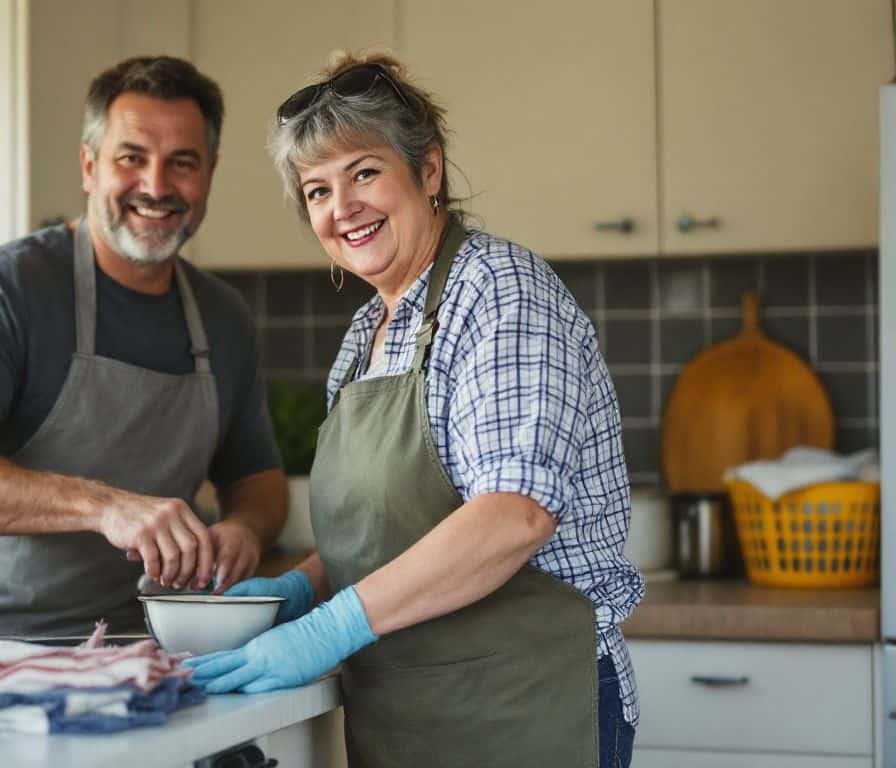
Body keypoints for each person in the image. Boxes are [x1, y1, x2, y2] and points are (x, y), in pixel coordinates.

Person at [184, 53, 644, 768]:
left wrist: (326, 631)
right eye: (316, 191)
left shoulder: (500, 292)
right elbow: (386, 534)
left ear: (428, 171)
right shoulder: (367, 334)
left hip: (523, 709)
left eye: (364, 173)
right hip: (409, 719)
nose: (342, 209)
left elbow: (514, 514)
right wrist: (299, 591)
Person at [0, 56, 287, 643]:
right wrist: (103, 507)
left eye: (182, 163)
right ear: (88, 165)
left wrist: (246, 530)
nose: (156, 186)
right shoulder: (9, 288)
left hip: (138, 654)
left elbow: (258, 481)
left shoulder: (223, 319)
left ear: (210, 173)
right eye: (131, 158)